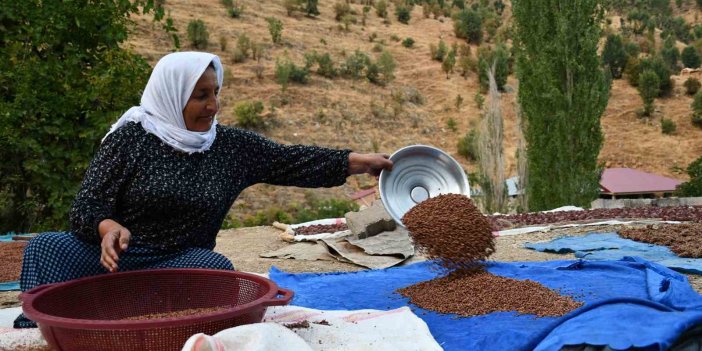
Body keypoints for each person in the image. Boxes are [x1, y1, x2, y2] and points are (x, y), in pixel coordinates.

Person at [14, 51, 393, 328]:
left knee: (215, 269)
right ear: (173, 95)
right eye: (200, 96)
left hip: (175, 265)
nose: (212, 106)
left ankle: (129, 316)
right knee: (47, 247)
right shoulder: (130, 140)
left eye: (215, 93)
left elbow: (291, 160)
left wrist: (361, 161)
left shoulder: (228, 147)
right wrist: (107, 228)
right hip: (107, 261)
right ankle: (48, 331)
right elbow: (87, 204)